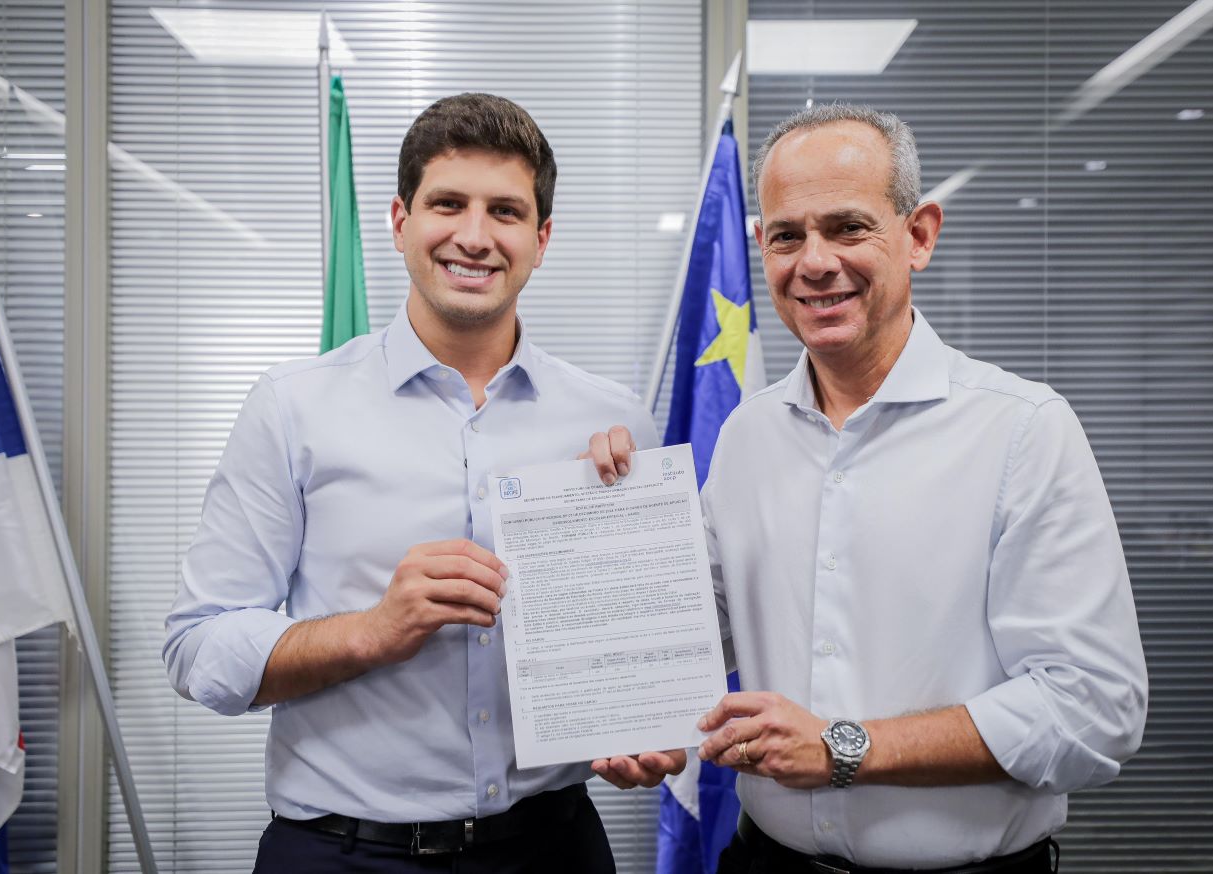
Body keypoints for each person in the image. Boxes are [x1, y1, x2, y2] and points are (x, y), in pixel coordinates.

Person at [589, 103, 1148, 873]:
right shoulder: (747, 437)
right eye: (786, 235)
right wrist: (599, 518)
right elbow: (695, 629)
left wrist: (848, 748)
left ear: (918, 235)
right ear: (761, 248)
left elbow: (1095, 710)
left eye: (847, 227)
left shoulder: (1023, 431)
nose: (814, 262)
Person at [163, 92, 681, 873]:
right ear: (400, 221)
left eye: (505, 212)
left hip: (552, 848)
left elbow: (644, 659)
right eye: (448, 204)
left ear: (540, 239)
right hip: (339, 853)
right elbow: (195, 646)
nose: (474, 237)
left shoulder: (615, 424)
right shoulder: (292, 408)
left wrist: (642, 726)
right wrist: (371, 631)